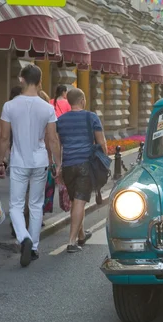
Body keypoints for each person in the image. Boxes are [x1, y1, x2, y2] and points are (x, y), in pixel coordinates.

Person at [0, 64, 61, 267]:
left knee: (15, 205)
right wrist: (57, 163)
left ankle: (23, 237)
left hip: (18, 161)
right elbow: (53, 139)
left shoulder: (9, 106)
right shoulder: (48, 107)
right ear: (40, 81)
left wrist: (0, 160)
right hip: (40, 161)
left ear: (21, 80)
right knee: (35, 205)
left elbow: (4, 137)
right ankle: (33, 247)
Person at [56, 88, 106, 253]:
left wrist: (58, 166)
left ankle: (82, 235)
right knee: (79, 201)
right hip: (85, 164)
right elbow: (101, 142)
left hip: (68, 165)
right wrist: (105, 161)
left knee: (76, 200)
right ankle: (72, 242)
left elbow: (58, 144)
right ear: (83, 100)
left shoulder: (60, 120)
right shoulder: (91, 117)